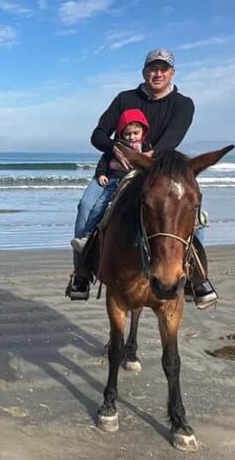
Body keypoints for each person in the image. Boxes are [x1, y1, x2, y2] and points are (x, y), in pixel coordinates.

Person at [67, 48, 218, 307]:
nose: (157, 73)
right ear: (144, 71)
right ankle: (81, 273)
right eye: (152, 68)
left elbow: (173, 138)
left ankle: (197, 277)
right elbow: (98, 133)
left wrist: (148, 157)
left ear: (172, 73)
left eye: (163, 69)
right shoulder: (125, 98)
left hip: (162, 172)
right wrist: (114, 148)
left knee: (193, 214)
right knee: (87, 207)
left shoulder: (183, 104)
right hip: (118, 168)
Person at [72, 108, 152, 253]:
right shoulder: (116, 148)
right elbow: (103, 162)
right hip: (113, 182)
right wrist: (101, 174)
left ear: (143, 132)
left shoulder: (146, 148)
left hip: (132, 183)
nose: (132, 137)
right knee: (99, 207)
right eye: (128, 134)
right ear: (121, 133)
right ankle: (88, 236)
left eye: (135, 133)